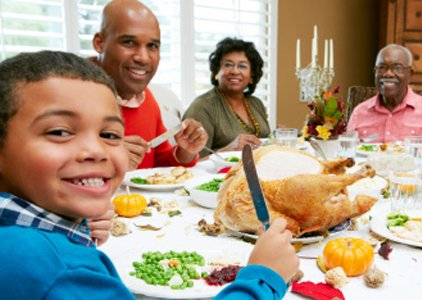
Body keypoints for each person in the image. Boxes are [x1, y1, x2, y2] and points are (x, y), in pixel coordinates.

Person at [0, 51, 299, 300]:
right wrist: (264, 278)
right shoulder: (47, 266)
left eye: (109, 134)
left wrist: (75, 229)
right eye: (60, 132)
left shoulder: (38, 243)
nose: (96, 150)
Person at [91, 0, 207, 169]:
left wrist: (185, 152)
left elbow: (158, 164)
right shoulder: (73, 98)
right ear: (99, 43)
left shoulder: (147, 99)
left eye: (152, 46)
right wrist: (108, 159)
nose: (143, 58)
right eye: (129, 42)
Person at [347, 44, 422, 144]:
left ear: (410, 74)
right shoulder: (359, 112)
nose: (388, 73)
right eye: (382, 67)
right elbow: (346, 153)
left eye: (397, 68)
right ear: (375, 73)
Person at [183, 37, 270, 157]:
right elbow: (193, 162)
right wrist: (228, 150)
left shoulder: (256, 103)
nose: (234, 71)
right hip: (220, 174)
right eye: (228, 65)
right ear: (216, 72)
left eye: (242, 66)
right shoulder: (202, 107)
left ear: (252, 76)